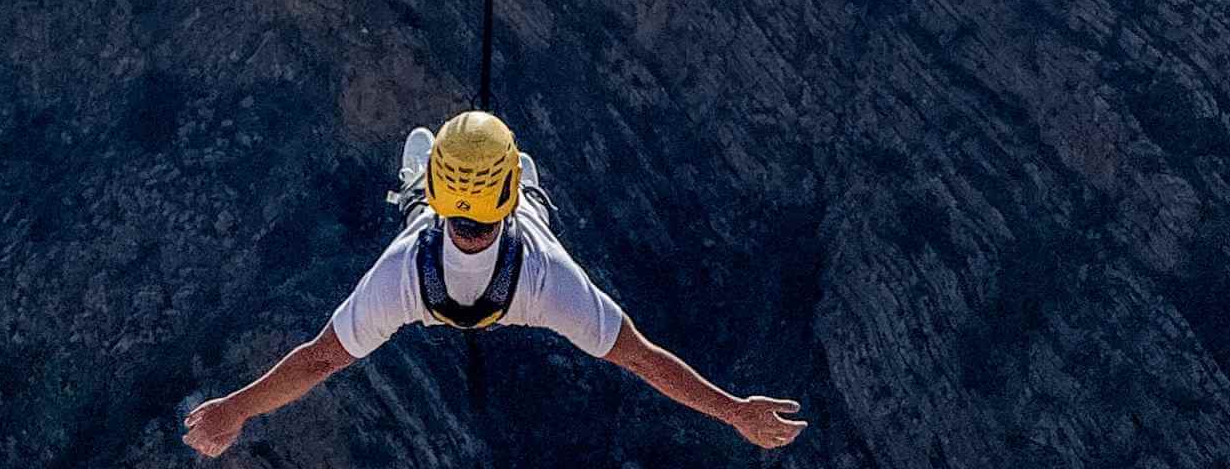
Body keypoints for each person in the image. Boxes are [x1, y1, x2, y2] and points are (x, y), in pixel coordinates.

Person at [183, 110, 807, 455]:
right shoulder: (550, 280)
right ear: (503, 198)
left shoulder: (397, 277)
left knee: (417, 217)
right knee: (534, 210)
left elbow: (319, 361)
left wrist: (233, 411)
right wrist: (733, 412)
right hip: (521, 285)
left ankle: (416, 189)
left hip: (424, 284)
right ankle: (523, 189)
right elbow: (644, 361)